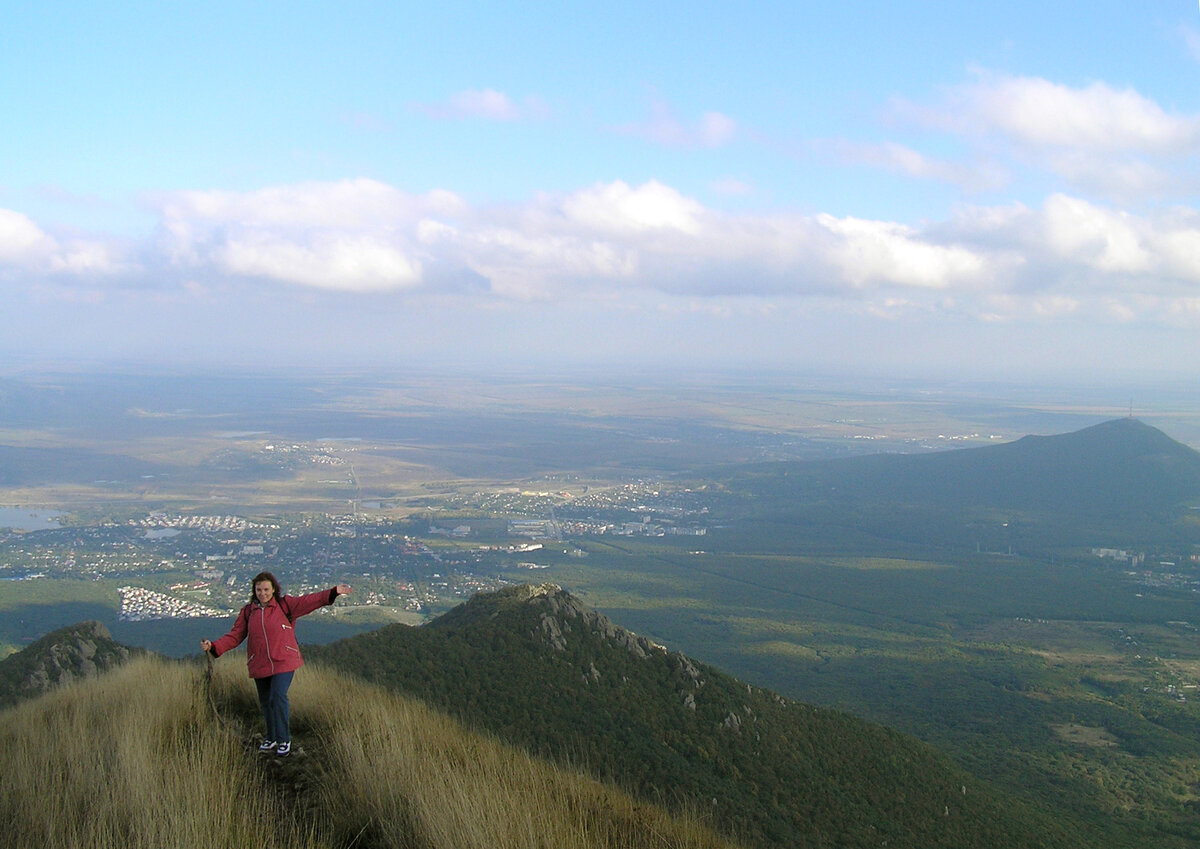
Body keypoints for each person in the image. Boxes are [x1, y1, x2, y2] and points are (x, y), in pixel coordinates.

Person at [201, 571, 351, 756]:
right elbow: (235, 635)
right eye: (259, 590)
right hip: (260, 663)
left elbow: (309, 601)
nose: (262, 593)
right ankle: (271, 738)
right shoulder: (249, 612)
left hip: (284, 661)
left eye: (266, 589)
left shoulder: (285, 605)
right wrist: (214, 646)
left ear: (273, 589)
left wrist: (334, 592)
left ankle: (283, 740)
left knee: (278, 697)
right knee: (266, 702)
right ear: (254, 591)